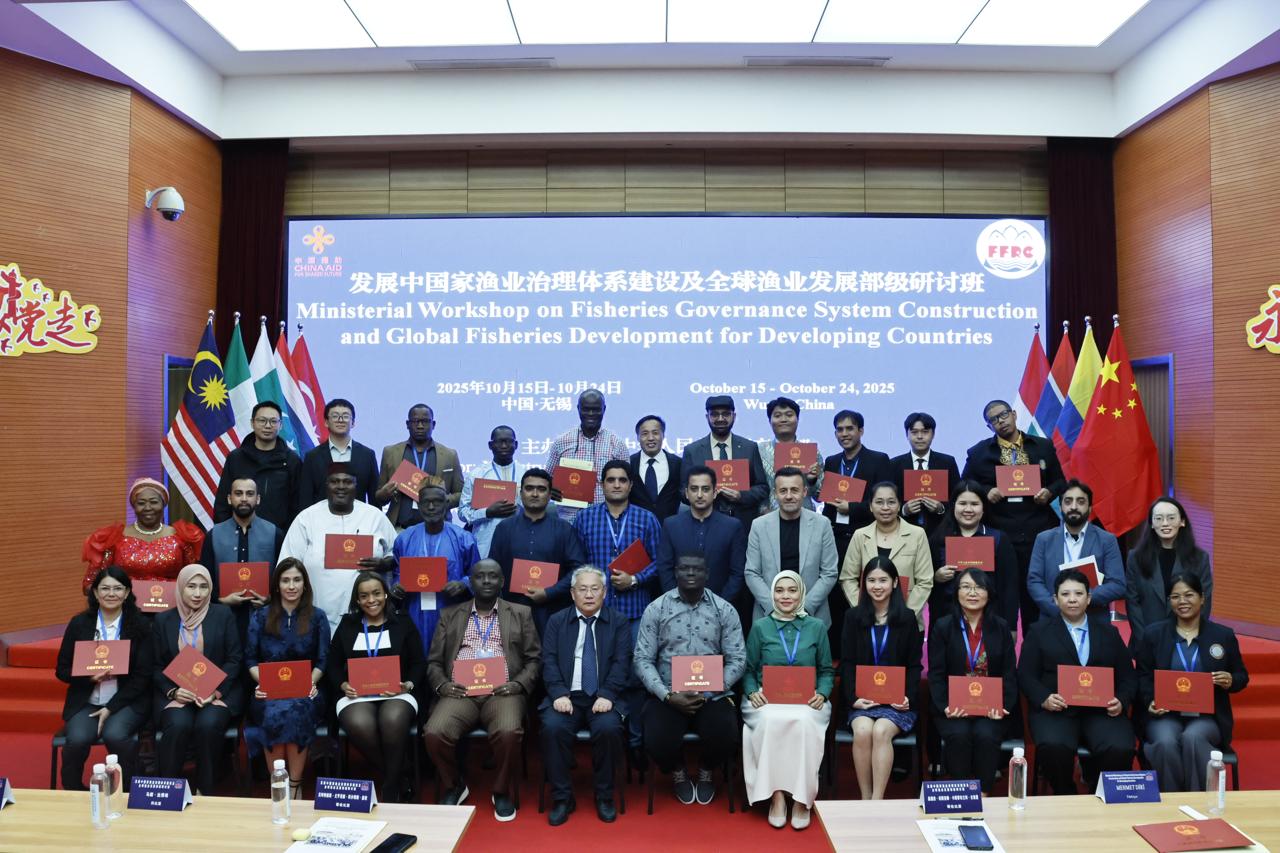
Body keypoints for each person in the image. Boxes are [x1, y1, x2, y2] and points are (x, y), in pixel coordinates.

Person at [425, 560, 541, 821]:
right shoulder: (450, 614)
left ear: (502, 582)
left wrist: (518, 684)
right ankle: (454, 784)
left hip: (503, 691)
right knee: (434, 733)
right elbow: (433, 661)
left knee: (509, 731)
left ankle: (500, 790)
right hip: (460, 692)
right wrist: (443, 685)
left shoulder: (520, 613)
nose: (486, 581)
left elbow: (534, 659)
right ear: (471, 581)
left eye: (493, 576)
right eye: (480, 576)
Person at [634, 557, 746, 806]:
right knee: (656, 738)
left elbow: (738, 659)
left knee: (725, 733)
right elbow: (642, 659)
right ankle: (678, 770)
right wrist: (667, 695)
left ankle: (707, 770)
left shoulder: (724, 609)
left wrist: (707, 691)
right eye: (685, 568)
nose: (691, 573)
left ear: (707, 573)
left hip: (713, 694)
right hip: (668, 693)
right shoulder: (657, 608)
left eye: (697, 568)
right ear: (675, 573)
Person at [1016, 569, 1136, 795]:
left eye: (1079, 594)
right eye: (1065, 594)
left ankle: (1099, 791)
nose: (1072, 599)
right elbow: (1025, 674)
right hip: (1057, 710)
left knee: (1119, 747)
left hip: (1101, 711)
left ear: (1089, 598)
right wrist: (1044, 698)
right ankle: (1066, 793)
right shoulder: (1040, 632)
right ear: (1055, 599)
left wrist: (1121, 700)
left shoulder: (1108, 632)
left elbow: (1128, 675)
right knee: (1054, 747)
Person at [961, 399, 1067, 632]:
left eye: (1003, 415)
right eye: (994, 420)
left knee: (1036, 595)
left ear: (1014, 414)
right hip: (999, 531)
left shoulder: (1042, 446)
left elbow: (1061, 481)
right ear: (989, 427)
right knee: (1001, 595)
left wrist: (1049, 492)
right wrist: (986, 491)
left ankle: (1035, 652)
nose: (1001, 421)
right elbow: (964, 484)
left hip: (1037, 530)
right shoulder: (979, 453)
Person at [1136, 574, 1248, 792]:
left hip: (1206, 717)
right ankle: (1169, 800)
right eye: (1176, 596)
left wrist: (1231, 680)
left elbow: (1241, 676)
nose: (1182, 601)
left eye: (1189, 595)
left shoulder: (1222, 635)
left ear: (1202, 598)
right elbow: (1142, 675)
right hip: (1166, 714)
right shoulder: (1154, 634)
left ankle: (1197, 800)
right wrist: (1150, 701)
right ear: (1169, 601)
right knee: (1166, 743)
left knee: (1193, 738)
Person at [539, 566, 632, 825]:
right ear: (572, 593)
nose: (589, 594)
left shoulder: (619, 621)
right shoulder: (557, 621)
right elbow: (548, 661)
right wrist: (558, 692)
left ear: (604, 592)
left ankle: (604, 795)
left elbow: (622, 663)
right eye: (582, 589)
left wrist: (608, 694)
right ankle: (562, 797)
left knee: (609, 728)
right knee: (552, 727)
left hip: (603, 696)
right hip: (566, 695)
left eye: (595, 589)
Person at [742, 570, 833, 830]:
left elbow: (827, 670)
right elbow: (748, 670)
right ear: (772, 594)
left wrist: (823, 693)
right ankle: (777, 796)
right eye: (779, 590)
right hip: (766, 699)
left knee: (804, 723)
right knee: (770, 720)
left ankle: (802, 800)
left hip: (808, 700)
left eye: (792, 590)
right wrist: (751, 692)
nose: (785, 596)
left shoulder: (816, 627)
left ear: (801, 593)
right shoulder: (760, 627)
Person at [326, 571, 425, 803]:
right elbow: (332, 663)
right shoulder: (348, 624)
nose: (371, 600)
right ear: (357, 600)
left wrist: (407, 684)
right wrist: (342, 683)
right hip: (357, 695)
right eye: (364, 596)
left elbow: (419, 663)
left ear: (386, 595)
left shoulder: (402, 621)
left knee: (392, 720)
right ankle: (400, 774)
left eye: (377, 593)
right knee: (359, 723)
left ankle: (389, 787)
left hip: (397, 693)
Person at [55, 566, 154, 790]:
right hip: (86, 700)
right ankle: (74, 792)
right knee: (77, 740)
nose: (111, 594)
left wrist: (111, 707)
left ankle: (129, 790)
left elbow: (143, 675)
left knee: (116, 735)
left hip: (125, 700)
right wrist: (87, 677)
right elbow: (61, 669)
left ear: (127, 593)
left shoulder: (140, 625)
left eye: (118, 588)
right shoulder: (79, 624)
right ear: (96, 593)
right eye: (105, 588)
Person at [153, 564, 244, 796]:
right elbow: (154, 666)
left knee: (207, 725)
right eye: (191, 586)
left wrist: (215, 691)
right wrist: (173, 692)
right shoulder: (164, 620)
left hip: (215, 694)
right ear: (181, 588)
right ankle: (169, 792)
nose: (197, 593)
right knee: (178, 725)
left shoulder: (223, 615)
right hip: (178, 693)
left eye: (204, 587)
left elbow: (234, 659)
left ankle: (206, 790)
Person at [244, 558, 331, 799]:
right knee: (272, 712)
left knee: (297, 711)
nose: (291, 586)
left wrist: (311, 682)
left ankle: (294, 785)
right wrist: (262, 683)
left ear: (305, 584)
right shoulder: (260, 617)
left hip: (307, 690)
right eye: (285, 580)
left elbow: (323, 660)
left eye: (296, 580)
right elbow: (250, 659)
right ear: (276, 585)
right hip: (268, 690)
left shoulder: (318, 617)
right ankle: (278, 786)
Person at [926, 569, 1016, 792]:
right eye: (965, 586)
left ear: (989, 593)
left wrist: (1002, 706)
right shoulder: (943, 627)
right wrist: (945, 706)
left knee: (985, 735)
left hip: (990, 708)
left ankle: (983, 792)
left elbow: (1008, 673)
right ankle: (963, 792)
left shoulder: (1001, 627)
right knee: (959, 735)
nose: (972, 592)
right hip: (953, 706)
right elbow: (936, 673)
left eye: (979, 587)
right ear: (956, 593)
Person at [840, 557, 923, 800]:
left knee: (881, 731)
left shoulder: (907, 618)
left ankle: (877, 801)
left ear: (895, 583)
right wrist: (853, 698)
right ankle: (865, 798)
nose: (877, 586)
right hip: (863, 700)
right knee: (864, 730)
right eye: (871, 580)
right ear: (864, 584)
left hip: (897, 702)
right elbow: (846, 663)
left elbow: (914, 665)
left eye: (883, 580)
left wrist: (907, 697)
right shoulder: (853, 617)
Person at [280, 463, 398, 622]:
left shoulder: (375, 516)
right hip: (317, 616)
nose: (341, 486)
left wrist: (383, 564)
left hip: (368, 615)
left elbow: (397, 555)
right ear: (326, 485)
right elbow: (287, 565)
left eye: (347, 482)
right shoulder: (306, 518)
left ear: (356, 485)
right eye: (334, 481)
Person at [817, 410, 893, 648]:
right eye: (839, 430)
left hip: (864, 537)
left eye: (849, 429)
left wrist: (853, 508)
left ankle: (866, 648)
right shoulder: (831, 461)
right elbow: (825, 500)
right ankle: (837, 652)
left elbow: (884, 502)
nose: (844, 434)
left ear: (861, 430)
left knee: (864, 594)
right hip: (835, 538)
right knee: (835, 596)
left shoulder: (878, 460)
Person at [490, 468, 587, 636]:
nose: (535, 494)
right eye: (529, 488)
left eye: (541, 489)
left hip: (554, 613)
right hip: (512, 613)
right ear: (520, 493)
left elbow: (578, 570)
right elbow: (493, 569)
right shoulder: (504, 528)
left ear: (550, 495)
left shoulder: (564, 529)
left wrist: (550, 592)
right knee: (514, 662)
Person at [390, 484, 481, 654]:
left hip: (450, 609)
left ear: (446, 504)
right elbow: (397, 573)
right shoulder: (404, 538)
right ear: (419, 504)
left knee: (448, 661)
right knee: (415, 659)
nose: (431, 507)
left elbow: (477, 576)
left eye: (437, 502)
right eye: (426, 502)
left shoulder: (463, 538)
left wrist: (464, 584)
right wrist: (396, 586)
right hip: (414, 609)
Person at [744, 467, 839, 627]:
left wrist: (805, 607)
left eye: (794, 490)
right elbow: (752, 572)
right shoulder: (759, 525)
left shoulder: (822, 524)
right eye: (783, 491)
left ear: (804, 492)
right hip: (769, 618)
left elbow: (829, 572)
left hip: (812, 617)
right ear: (775, 493)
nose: (789, 496)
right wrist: (774, 608)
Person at [200, 477, 284, 645]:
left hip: (266, 619)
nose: (244, 498)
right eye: (238, 493)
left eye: (249, 494)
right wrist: (221, 600)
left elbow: (284, 575)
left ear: (258, 499)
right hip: (223, 619)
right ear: (230, 499)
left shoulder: (275, 533)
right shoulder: (214, 535)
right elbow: (204, 579)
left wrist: (269, 599)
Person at [926, 480, 1019, 630]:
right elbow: (922, 581)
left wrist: (1012, 626)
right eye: (962, 503)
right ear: (953, 506)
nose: (968, 509)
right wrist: (936, 577)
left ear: (983, 508)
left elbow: (1009, 586)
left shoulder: (998, 539)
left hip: (990, 619)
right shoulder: (937, 540)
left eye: (975, 504)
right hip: (947, 621)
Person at [841, 482, 934, 631]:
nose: (885, 507)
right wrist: (863, 610)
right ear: (871, 506)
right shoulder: (860, 535)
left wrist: (905, 615)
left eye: (891, 502)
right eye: (879, 502)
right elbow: (848, 578)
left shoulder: (917, 534)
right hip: (867, 622)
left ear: (899, 505)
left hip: (907, 623)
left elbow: (925, 581)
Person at [1125, 497, 1214, 649]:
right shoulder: (1136, 557)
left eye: (1171, 518)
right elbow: (1132, 603)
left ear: (1182, 522)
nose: (1165, 523)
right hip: (1146, 640)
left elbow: (1204, 602)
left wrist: (1190, 635)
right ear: (1152, 524)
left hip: (1186, 641)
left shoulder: (1199, 558)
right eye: (1159, 519)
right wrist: (1145, 639)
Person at [82, 478, 204, 589]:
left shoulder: (181, 537)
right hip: (127, 609)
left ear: (163, 505)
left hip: (171, 610)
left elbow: (195, 581)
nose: (147, 507)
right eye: (141, 503)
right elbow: (91, 584)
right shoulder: (115, 538)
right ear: (134, 506)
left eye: (154, 502)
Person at [1027, 480, 1125, 618]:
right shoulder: (1044, 539)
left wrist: (1082, 599)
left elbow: (1117, 584)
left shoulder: (1107, 540)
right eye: (1068, 501)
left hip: (1093, 619)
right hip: (1053, 619)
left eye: (1080, 502)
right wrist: (1058, 606)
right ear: (1060, 507)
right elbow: (1034, 581)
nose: (1074, 506)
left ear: (1090, 508)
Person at [654, 465, 747, 603]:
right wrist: (677, 601)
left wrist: (719, 605)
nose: (699, 495)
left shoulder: (733, 526)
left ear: (715, 493)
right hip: (678, 607)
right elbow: (664, 568)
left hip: (721, 608)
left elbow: (737, 573)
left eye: (705, 489)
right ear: (686, 493)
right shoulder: (671, 525)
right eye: (694, 489)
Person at [679, 395, 769, 527]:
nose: (720, 419)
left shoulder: (749, 447)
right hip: (704, 523)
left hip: (743, 523)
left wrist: (741, 496)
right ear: (707, 417)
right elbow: (682, 491)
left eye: (726, 414)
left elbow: (762, 488)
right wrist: (704, 496)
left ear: (734, 416)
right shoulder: (692, 451)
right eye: (715, 414)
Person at [213, 401, 302, 530]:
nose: (267, 426)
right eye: (262, 420)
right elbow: (222, 502)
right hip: (238, 535)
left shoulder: (292, 461)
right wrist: (228, 534)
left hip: (279, 538)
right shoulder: (236, 458)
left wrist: (287, 538)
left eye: (273, 421)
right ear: (252, 423)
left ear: (281, 425)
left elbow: (297, 506)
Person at [375, 403, 464, 530]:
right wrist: (385, 493)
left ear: (433, 424)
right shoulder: (391, 452)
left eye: (425, 421)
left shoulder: (449, 455)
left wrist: (442, 499)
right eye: (415, 421)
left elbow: (461, 494)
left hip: (439, 528)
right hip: (400, 529)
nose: (420, 426)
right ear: (407, 424)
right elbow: (379, 496)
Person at [545, 389, 630, 514]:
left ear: (604, 409)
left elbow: (626, 485)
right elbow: (547, 480)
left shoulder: (617, 444)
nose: (591, 414)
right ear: (578, 408)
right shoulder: (561, 442)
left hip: (604, 520)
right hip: (568, 519)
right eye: (586, 409)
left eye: (596, 409)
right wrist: (551, 490)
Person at [457, 425, 529, 558]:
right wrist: (487, 512)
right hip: (486, 543)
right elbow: (462, 512)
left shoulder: (526, 474)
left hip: (520, 539)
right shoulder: (477, 475)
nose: (504, 445)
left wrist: (521, 510)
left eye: (508, 441)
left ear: (516, 445)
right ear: (490, 445)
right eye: (499, 441)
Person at [298, 398, 381, 507]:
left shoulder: (367, 455)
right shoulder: (313, 457)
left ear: (353, 423)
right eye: (335, 416)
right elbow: (306, 498)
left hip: (359, 521)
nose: (340, 420)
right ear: (326, 422)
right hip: (321, 521)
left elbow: (374, 498)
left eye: (346, 416)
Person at [890, 412, 961, 539]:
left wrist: (941, 508)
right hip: (903, 533)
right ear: (907, 434)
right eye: (914, 432)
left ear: (933, 434)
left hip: (940, 532)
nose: (920, 437)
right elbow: (888, 499)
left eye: (925, 432)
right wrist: (904, 510)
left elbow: (958, 497)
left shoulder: (947, 462)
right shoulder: (894, 464)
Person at [755, 397, 822, 514]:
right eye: (777, 416)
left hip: (805, 518)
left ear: (797, 419)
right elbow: (753, 490)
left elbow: (819, 495)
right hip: (767, 519)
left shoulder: (812, 452)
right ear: (769, 421)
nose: (784, 419)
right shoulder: (758, 451)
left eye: (789, 415)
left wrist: (812, 480)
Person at [628, 414, 683, 523]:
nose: (650, 438)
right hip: (637, 527)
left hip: (670, 529)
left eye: (655, 433)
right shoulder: (629, 463)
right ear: (638, 437)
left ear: (663, 435)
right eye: (644, 434)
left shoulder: (678, 463)